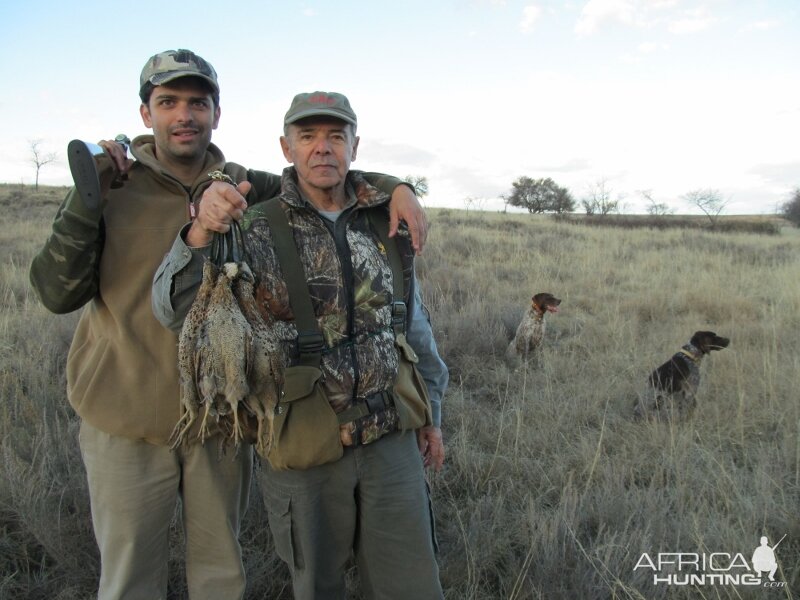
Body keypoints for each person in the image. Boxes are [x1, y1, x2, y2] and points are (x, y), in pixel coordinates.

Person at [29, 48, 428, 600]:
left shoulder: (244, 184)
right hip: (127, 415)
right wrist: (85, 195)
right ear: (146, 114)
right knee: (128, 580)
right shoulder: (110, 185)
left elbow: (320, 175)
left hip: (223, 416)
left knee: (220, 577)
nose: (184, 115)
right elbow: (56, 292)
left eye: (198, 102)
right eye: (168, 102)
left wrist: (399, 186)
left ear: (217, 112)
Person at [152, 91, 448, 599]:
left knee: (412, 585)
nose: (323, 148)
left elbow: (414, 327)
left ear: (356, 146)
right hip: (302, 445)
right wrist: (201, 230)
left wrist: (432, 416)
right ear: (286, 148)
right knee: (317, 587)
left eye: (336, 136)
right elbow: (172, 308)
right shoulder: (252, 225)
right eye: (307, 136)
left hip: (392, 437)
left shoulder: (386, 222)